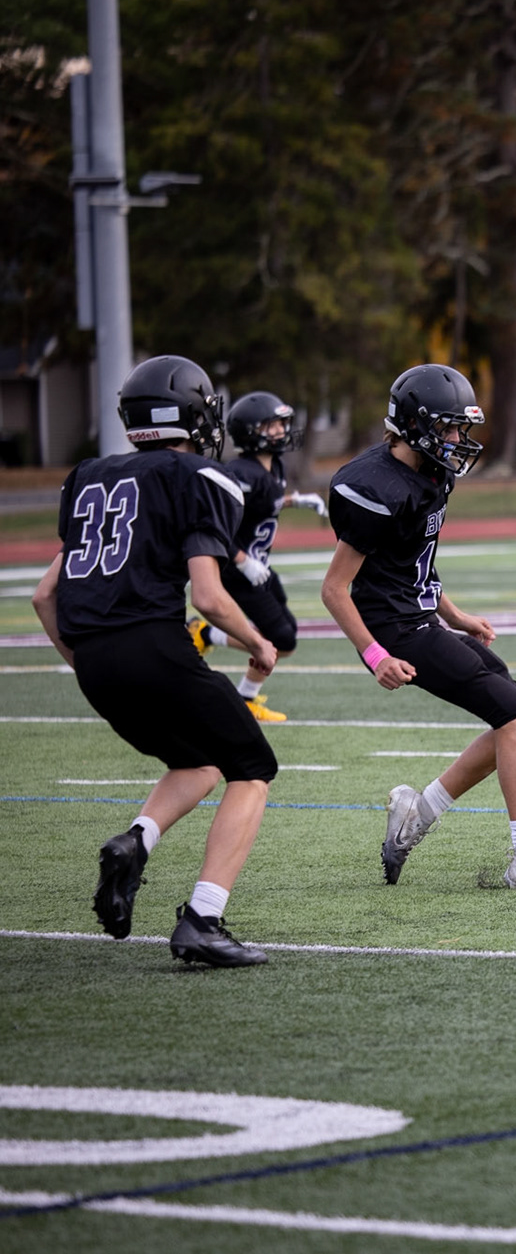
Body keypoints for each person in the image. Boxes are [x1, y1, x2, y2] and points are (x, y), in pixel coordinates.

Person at [31, 355, 280, 967]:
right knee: (253, 768)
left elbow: (45, 596)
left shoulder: (87, 475)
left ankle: (135, 843)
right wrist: (258, 642)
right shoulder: (198, 476)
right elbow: (209, 596)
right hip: (153, 644)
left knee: (196, 761)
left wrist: (86, 659)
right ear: (195, 415)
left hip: (92, 658)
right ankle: (203, 918)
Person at [321, 363, 516, 889]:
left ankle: (418, 812)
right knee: (514, 715)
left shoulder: (432, 472)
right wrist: (374, 655)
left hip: (420, 617)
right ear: (414, 425)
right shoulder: (378, 487)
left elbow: (415, 562)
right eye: (448, 428)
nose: (457, 440)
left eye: (460, 429)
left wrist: (455, 615)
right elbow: (334, 589)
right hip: (395, 631)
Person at [185, 390, 329, 722]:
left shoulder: (274, 467)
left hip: (258, 566)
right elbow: (212, 525)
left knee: (286, 640)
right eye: (272, 425)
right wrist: (241, 561)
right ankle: (241, 693)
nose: (281, 431)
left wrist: (296, 500)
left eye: (281, 424)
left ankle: (207, 635)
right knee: (280, 637)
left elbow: (265, 502)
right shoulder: (240, 475)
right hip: (238, 569)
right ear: (251, 431)